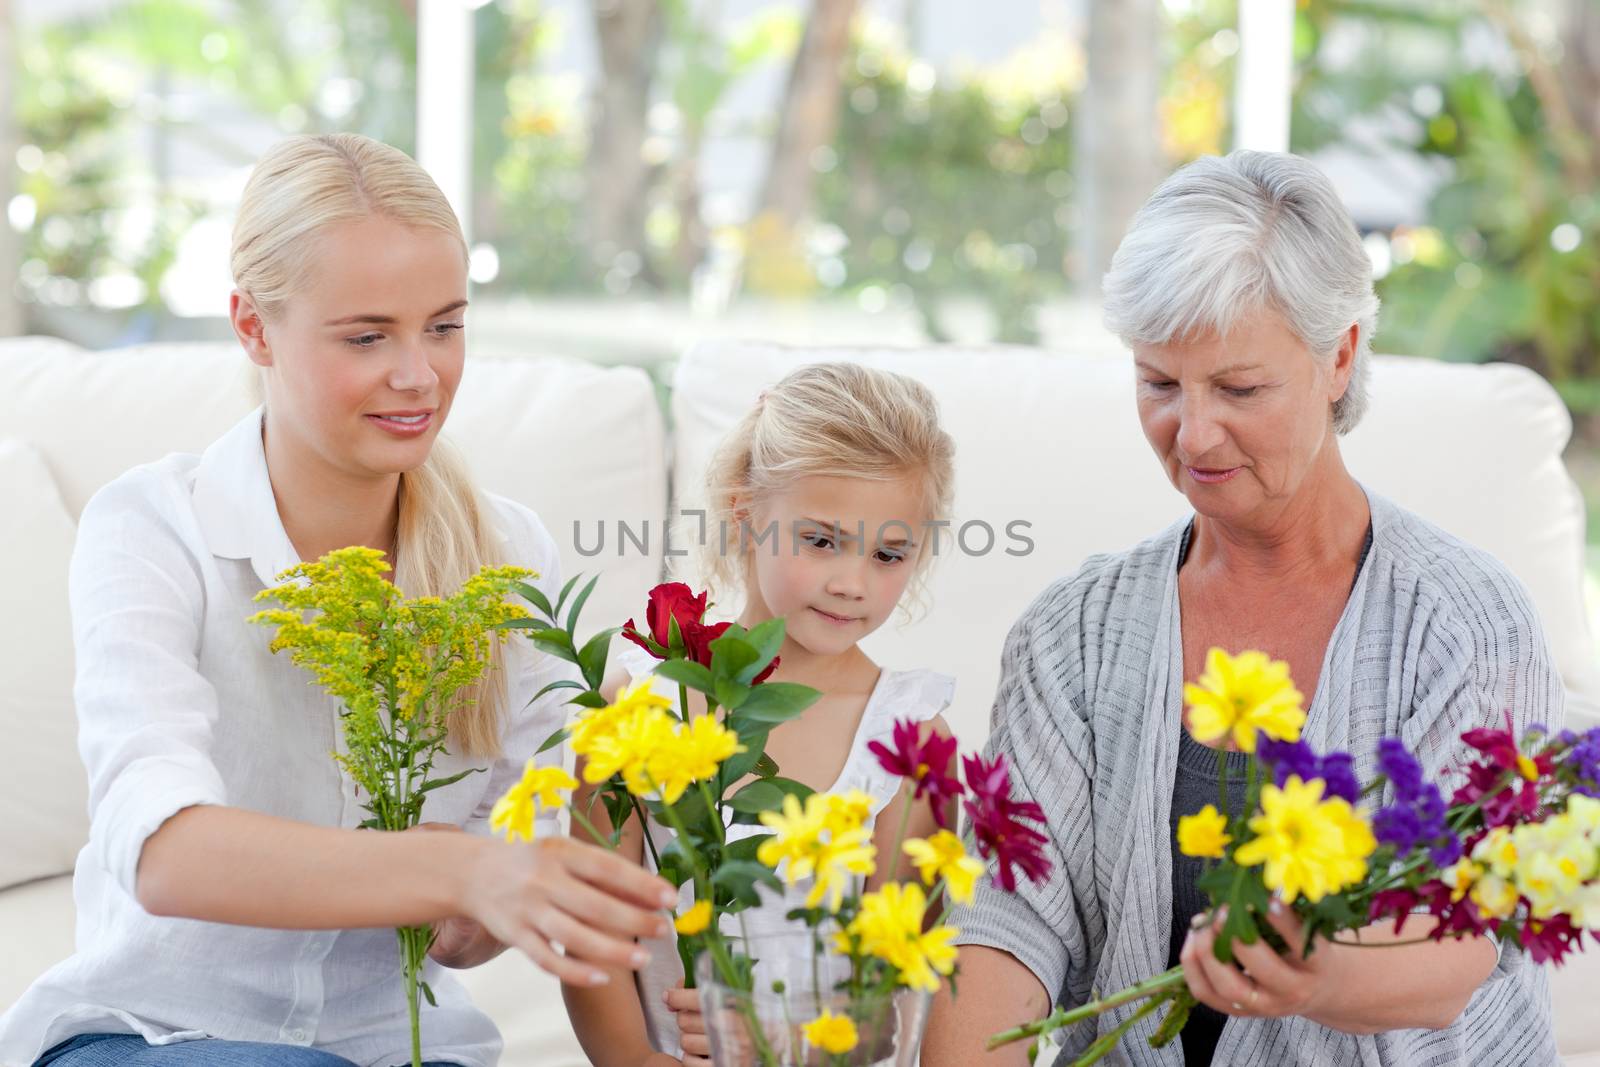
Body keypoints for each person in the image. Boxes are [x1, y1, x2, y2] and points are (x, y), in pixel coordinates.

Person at [0, 133, 677, 1067]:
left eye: (444, 326)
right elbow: (163, 851)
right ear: (252, 327)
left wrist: (582, 820)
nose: (420, 374)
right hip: (149, 1037)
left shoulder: (505, 554)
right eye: (368, 336)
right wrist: (464, 866)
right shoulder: (155, 531)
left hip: (403, 1046)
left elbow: (465, 932)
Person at [923, 150, 1562, 1066]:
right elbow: (1010, 919)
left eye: (1239, 387)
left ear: (1339, 355)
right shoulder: (1072, 635)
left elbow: (1467, 933)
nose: (1192, 432)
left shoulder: (1464, 622)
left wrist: (1317, 976)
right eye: (1158, 383)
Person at [563, 362, 960, 1067]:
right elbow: (589, 937)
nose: (852, 582)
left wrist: (783, 1040)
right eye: (822, 540)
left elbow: (899, 990)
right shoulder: (639, 704)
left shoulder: (911, 739)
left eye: (888, 553)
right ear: (745, 513)